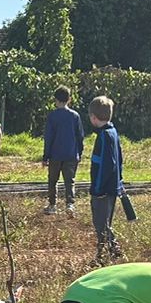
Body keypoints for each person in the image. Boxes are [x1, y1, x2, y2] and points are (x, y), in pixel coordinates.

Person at [87, 96, 125, 264]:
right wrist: (119, 181)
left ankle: (112, 251)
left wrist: (98, 188)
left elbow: (106, 165)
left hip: (102, 189)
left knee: (101, 224)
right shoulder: (113, 132)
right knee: (105, 222)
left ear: (93, 117)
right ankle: (103, 254)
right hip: (112, 186)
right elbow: (119, 160)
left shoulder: (103, 136)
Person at [41, 86, 85, 214]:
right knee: (70, 181)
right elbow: (80, 136)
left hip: (55, 154)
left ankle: (52, 205)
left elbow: (48, 137)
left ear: (55, 100)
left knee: (53, 180)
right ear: (69, 99)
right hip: (71, 154)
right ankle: (70, 204)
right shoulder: (75, 116)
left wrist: (45, 156)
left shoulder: (52, 116)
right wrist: (79, 152)